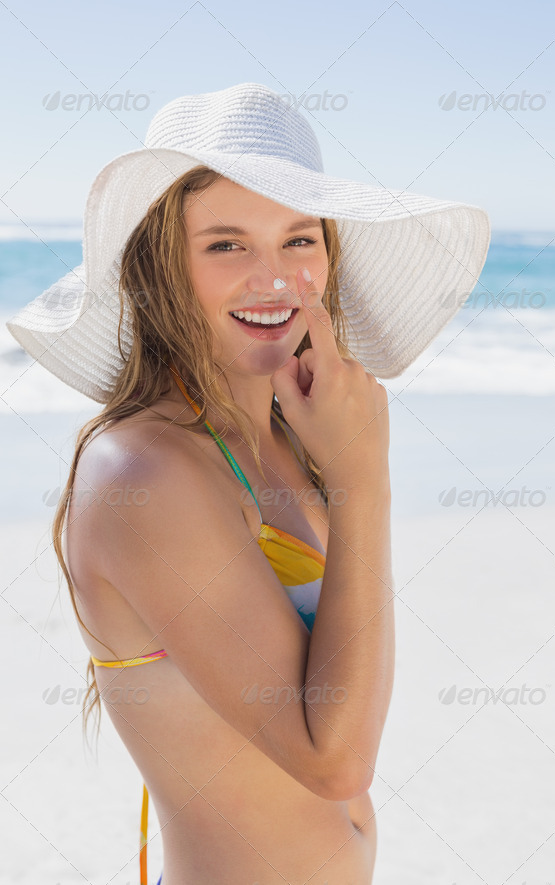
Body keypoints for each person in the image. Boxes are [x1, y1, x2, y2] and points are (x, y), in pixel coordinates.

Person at [6, 83, 490, 885]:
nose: (274, 279)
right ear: (160, 266)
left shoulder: (290, 445)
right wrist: (365, 485)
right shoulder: (144, 469)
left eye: (299, 240)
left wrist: (344, 468)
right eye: (227, 245)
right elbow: (332, 761)